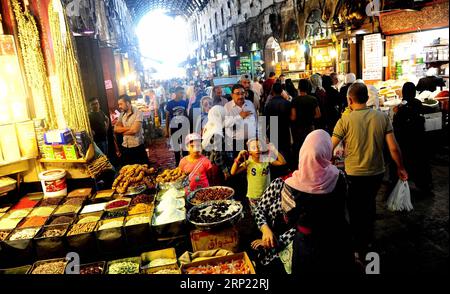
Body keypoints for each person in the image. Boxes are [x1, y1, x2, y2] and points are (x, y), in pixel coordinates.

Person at [331, 82, 408, 261]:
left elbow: (329, 145)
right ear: (366, 98)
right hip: (376, 173)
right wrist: (400, 167)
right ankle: (368, 240)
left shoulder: (345, 120)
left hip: (354, 174)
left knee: (355, 209)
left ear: (350, 100)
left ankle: (359, 247)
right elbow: (393, 148)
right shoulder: (382, 117)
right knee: (368, 204)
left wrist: (328, 161)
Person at [282, 129, 354, 274]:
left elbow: (288, 219)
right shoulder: (339, 177)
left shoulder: (290, 185)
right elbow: (345, 205)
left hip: (306, 245)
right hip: (336, 241)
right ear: (327, 151)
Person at [393, 82, 433, 196]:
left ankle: (404, 184)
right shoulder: (418, 103)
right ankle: (424, 185)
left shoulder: (402, 106)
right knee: (420, 163)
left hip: (406, 141)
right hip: (419, 139)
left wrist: (396, 113)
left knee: (407, 161)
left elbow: (397, 123)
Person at [230, 138, 286, 212]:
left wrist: (274, 149)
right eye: (253, 148)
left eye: (259, 146)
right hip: (253, 196)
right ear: (249, 152)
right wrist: (238, 157)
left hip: (267, 194)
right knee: (257, 214)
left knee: (267, 212)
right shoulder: (248, 163)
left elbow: (282, 162)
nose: (257, 149)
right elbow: (232, 172)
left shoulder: (267, 159)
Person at [290, 79, 321, 169]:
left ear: (299, 88)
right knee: (310, 147)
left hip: (298, 129)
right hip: (310, 127)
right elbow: (318, 114)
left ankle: (300, 166)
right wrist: (309, 117)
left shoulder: (295, 100)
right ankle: (311, 165)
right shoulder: (313, 99)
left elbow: (293, 117)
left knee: (299, 147)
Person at [202, 105, 233, 185]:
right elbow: (218, 156)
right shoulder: (217, 132)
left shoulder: (208, 126)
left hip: (207, 164)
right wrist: (225, 170)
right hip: (215, 167)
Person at [114, 94, 148, 165]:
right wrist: (129, 128)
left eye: (121, 104)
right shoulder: (122, 114)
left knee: (142, 170)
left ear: (127, 103)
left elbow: (135, 130)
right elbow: (116, 129)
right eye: (118, 104)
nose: (119, 106)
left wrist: (122, 131)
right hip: (125, 147)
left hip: (137, 147)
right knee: (128, 173)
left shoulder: (138, 112)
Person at [224, 84, 257, 155]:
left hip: (252, 140)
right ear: (232, 95)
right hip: (237, 142)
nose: (241, 96)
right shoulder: (227, 107)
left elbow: (255, 120)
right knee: (241, 163)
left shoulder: (250, 103)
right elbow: (226, 124)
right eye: (237, 94)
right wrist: (239, 116)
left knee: (252, 163)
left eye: (242, 93)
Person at [264, 82, 292, 166]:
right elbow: (292, 118)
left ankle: (275, 171)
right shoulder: (287, 103)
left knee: (274, 152)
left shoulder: (268, 104)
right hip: (284, 129)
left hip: (272, 128)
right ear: (281, 91)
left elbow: (264, 121)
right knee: (285, 151)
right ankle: (285, 169)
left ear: (272, 91)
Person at [165, 86, 189, 165]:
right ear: (176, 93)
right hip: (174, 128)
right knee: (176, 148)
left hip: (184, 127)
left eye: (183, 92)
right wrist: (166, 130)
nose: (182, 94)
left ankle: (185, 163)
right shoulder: (170, 104)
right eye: (181, 93)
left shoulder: (184, 102)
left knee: (185, 147)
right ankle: (178, 164)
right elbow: (167, 118)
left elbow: (186, 114)